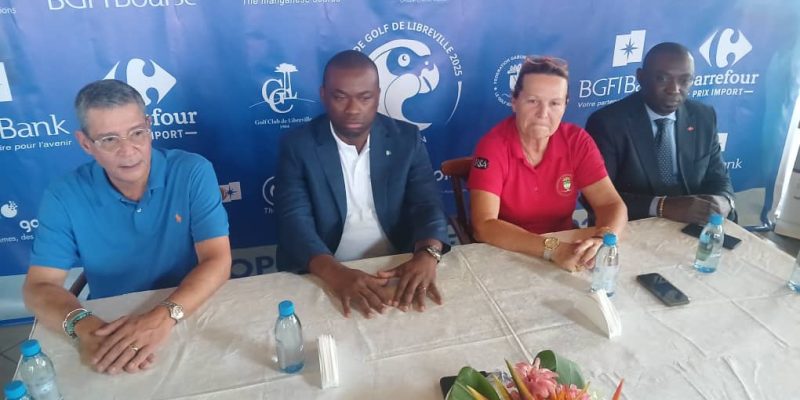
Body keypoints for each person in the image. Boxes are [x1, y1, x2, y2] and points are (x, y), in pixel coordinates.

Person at [22, 79, 232, 375]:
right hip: (107, 322)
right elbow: (38, 286)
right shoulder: (63, 195)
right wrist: (85, 327)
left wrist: (163, 317)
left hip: (186, 306)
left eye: (136, 133)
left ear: (149, 126)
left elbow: (218, 259)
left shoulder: (192, 171)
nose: (128, 150)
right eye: (109, 139)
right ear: (85, 144)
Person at [275, 50, 449, 318]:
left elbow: (427, 204)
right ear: (323, 95)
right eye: (340, 97)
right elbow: (294, 222)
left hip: (394, 264)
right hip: (325, 268)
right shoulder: (298, 145)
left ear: (378, 95)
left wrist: (428, 253)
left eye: (365, 97)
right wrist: (335, 273)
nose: (353, 109)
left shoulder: (406, 139)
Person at [469, 56, 627, 272]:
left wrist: (604, 238)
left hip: (566, 248)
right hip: (508, 253)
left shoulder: (576, 141)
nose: (543, 114)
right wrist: (553, 249)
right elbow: (484, 226)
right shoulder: (493, 146)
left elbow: (611, 204)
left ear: (565, 106)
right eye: (533, 101)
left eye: (554, 103)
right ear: (514, 102)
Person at [585, 42, 735, 224]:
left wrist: (724, 201)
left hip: (692, 224)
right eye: (662, 78)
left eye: (685, 80)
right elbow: (594, 198)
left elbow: (719, 178)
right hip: (633, 225)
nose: (674, 89)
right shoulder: (608, 123)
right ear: (640, 77)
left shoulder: (703, 116)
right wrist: (662, 206)